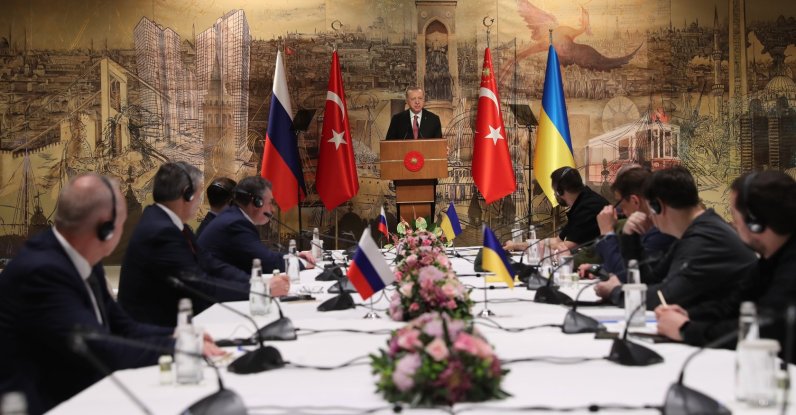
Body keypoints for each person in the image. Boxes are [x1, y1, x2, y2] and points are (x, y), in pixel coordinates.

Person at [0, 174, 219, 414]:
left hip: (84, 390)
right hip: (46, 404)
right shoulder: (42, 271)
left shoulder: (82, 255)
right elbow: (97, 347)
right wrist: (179, 349)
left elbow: (122, 326)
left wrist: (180, 336)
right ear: (105, 228)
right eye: (123, 223)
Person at [656, 171, 796, 361]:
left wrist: (686, 330)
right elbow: (732, 305)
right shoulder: (769, 259)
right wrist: (688, 314)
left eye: (734, 215)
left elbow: (763, 330)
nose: (733, 223)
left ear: (755, 223)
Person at [118, 162, 268, 327]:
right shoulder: (160, 231)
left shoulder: (170, 223)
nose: (200, 201)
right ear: (187, 194)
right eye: (199, 194)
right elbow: (199, 284)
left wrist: (254, 282)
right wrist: (257, 291)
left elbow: (210, 263)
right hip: (157, 334)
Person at [594, 166, 757, 315]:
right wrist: (631, 238)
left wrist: (615, 291)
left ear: (658, 206)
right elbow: (651, 278)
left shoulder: (706, 239)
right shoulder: (694, 232)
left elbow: (666, 297)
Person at [198, 176, 315, 275]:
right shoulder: (236, 223)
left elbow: (261, 254)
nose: (273, 210)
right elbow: (265, 262)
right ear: (257, 202)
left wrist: (294, 256)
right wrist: (301, 262)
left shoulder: (234, 217)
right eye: (270, 202)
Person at [578, 166, 675, 282]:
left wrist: (607, 232)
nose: (622, 212)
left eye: (622, 205)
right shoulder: (647, 224)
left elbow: (628, 275)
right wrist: (597, 269)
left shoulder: (661, 230)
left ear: (635, 201)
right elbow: (630, 265)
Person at [505, 167, 608, 266]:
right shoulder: (582, 201)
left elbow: (563, 247)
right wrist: (515, 245)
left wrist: (521, 246)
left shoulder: (587, 208)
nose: (554, 194)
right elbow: (557, 240)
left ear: (560, 191)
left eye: (554, 191)